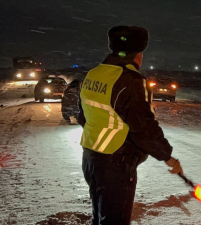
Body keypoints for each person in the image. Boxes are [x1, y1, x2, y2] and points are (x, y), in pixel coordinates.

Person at [77, 26, 184, 225]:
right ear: (139, 54)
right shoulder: (130, 80)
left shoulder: (94, 74)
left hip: (91, 158)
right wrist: (168, 157)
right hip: (116, 164)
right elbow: (143, 129)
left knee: (100, 217)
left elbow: (82, 116)